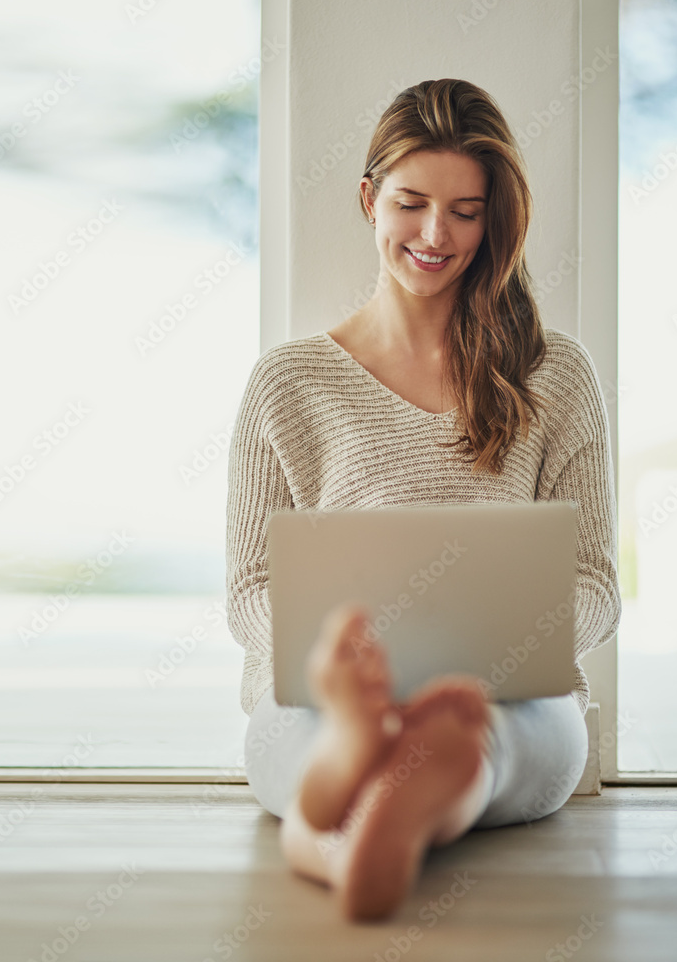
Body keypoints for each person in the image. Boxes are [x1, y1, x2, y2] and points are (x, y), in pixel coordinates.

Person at [224, 78, 621, 922]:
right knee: (316, 738)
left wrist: (477, 668)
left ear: (497, 220)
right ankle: (380, 790)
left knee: (483, 733)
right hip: (323, 705)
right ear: (369, 199)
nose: (437, 235)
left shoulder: (558, 377)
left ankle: (354, 820)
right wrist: (344, 669)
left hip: (509, 702)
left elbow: (593, 585)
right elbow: (252, 591)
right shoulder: (288, 385)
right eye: (412, 202)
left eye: (467, 212)